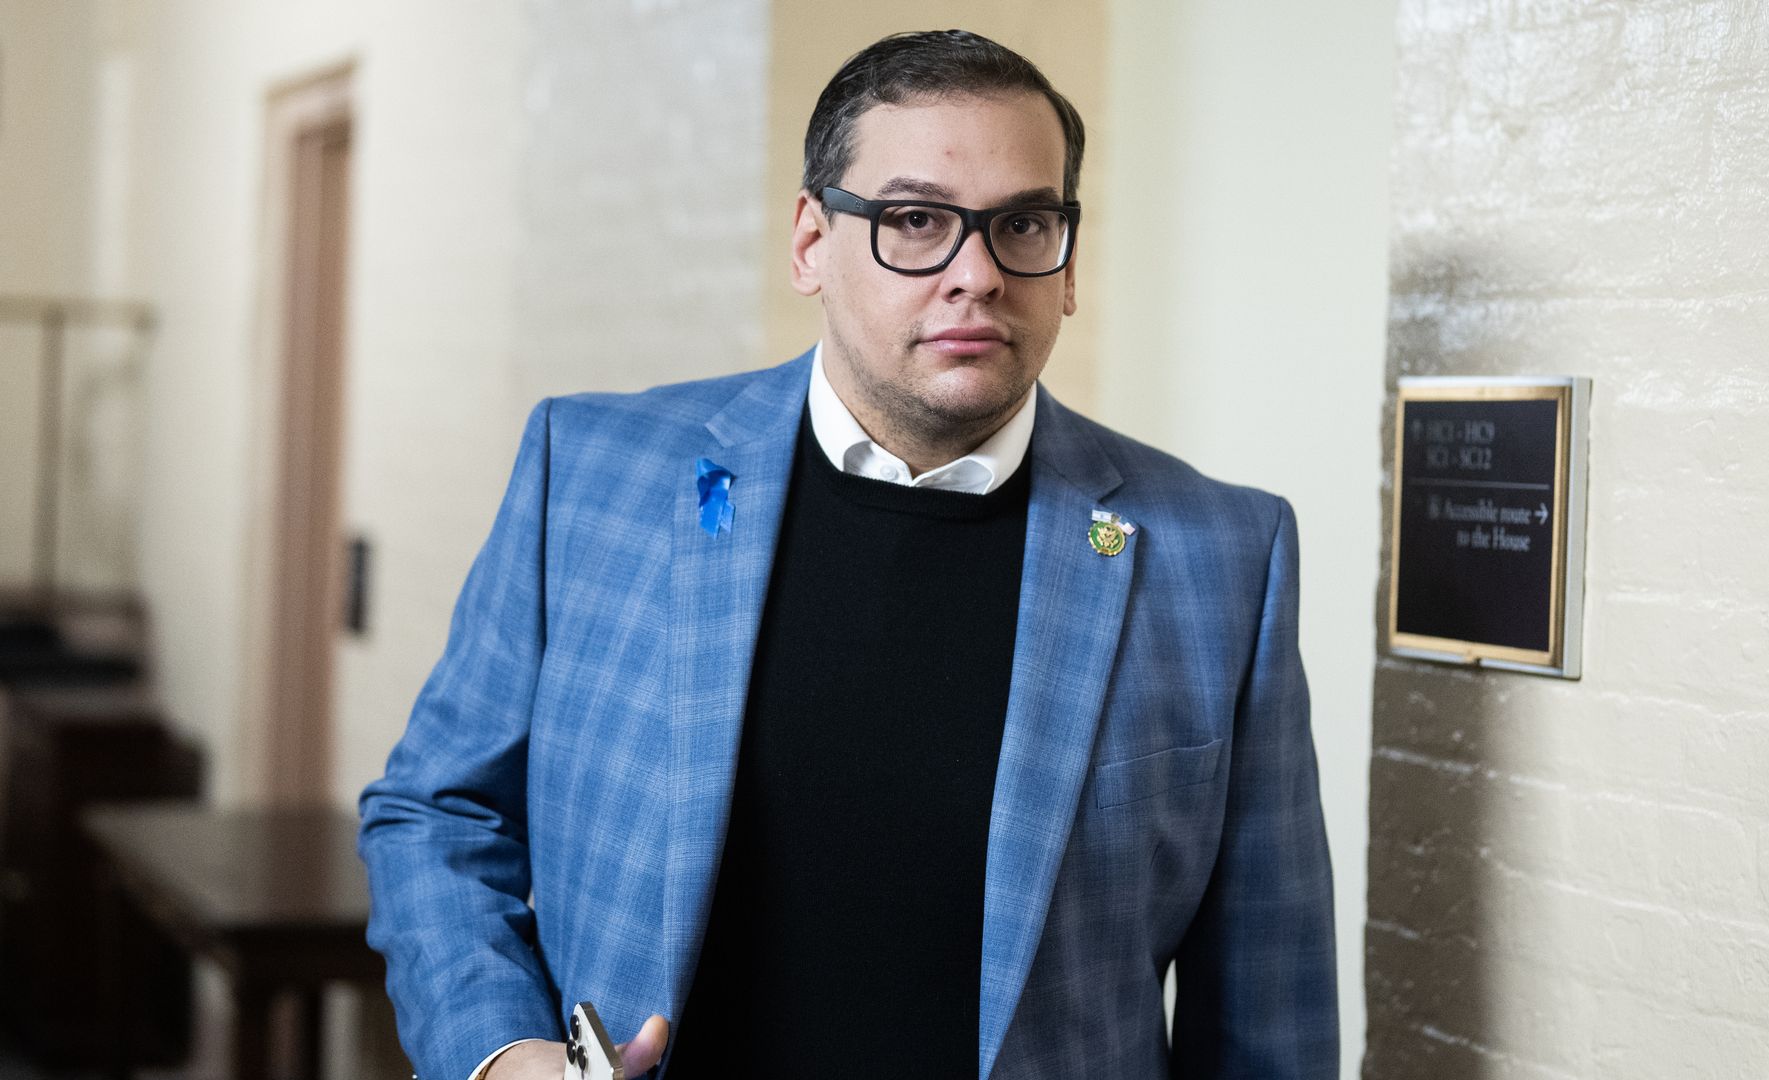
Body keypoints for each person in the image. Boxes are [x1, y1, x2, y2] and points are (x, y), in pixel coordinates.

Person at [359, 28, 1336, 1080]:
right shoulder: (592, 476)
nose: (976, 275)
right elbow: (437, 813)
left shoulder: (1221, 559)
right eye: (915, 221)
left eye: (1023, 224)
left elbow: (1267, 1007)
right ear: (812, 244)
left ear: (1068, 262)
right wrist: (501, 1054)